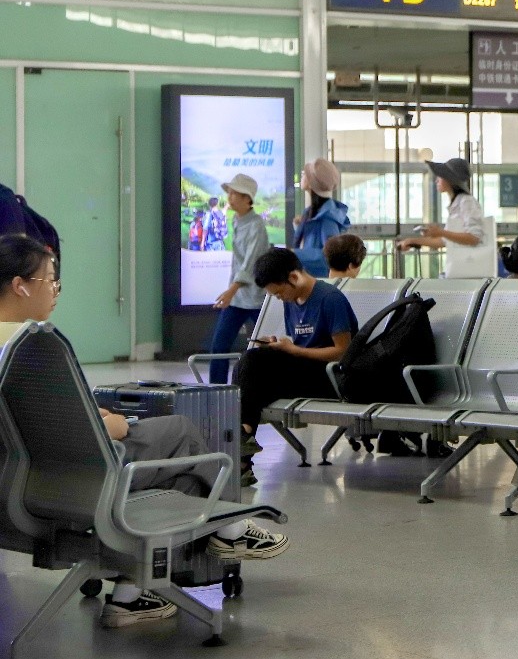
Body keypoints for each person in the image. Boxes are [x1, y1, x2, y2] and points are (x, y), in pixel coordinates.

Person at [0, 234, 289, 628]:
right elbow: (81, 437)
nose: (56, 290)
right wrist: (113, 424)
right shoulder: (32, 347)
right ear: (20, 285)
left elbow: (30, 424)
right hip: (75, 482)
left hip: (16, 487)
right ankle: (230, 529)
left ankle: (133, 595)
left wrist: (89, 414)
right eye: (50, 280)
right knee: (180, 431)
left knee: (181, 485)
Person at [237, 248, 357, 485]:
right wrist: (281, 345)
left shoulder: (329, 299)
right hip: (306, 371)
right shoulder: (292, 300)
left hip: (332, 378)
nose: (279, 298)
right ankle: (243, 447)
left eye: (279, 292)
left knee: (252, 365)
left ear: (293, 277)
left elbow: (343, 352)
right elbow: (302, 344)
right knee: (249, 365)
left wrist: (294, 351)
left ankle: (241, 443)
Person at [206, 174, 271, 384]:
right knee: (219, 346)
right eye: (230, 193)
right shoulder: (236, 220)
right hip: (237, 297)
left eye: (235, 193)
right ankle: (216, 391)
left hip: (257, 297)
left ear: (247, 199)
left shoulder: (256, 226)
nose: (230, 197)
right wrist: (232, 291)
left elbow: (250, 264)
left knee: (268, 345)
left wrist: (231, 290)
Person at [396, 157, 489, 277]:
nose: (437, 180)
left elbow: (474, 237)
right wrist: (413, 241)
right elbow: (445, 241)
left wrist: (441, 232)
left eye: (440, 177)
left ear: (449, 180)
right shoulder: (457, 203)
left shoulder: (466, 202)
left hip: (469, 274)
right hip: (460, 272)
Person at [293, 158, 351, 278]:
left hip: (318, 281)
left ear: (312, 183)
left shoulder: (328, 218)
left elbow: (329, 256)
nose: (302, 175)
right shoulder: (311, 213)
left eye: (305, 174)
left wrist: (295, 254)